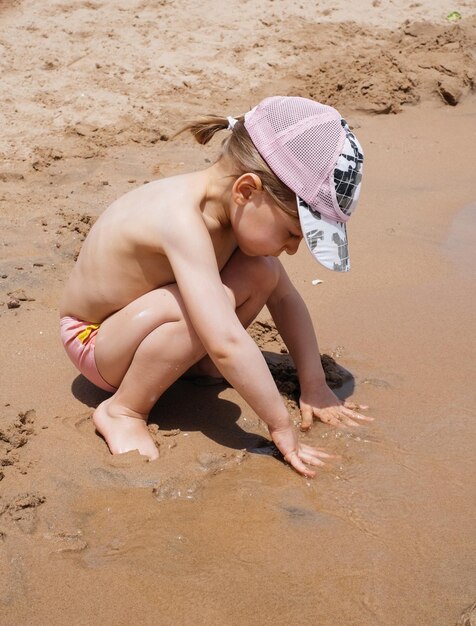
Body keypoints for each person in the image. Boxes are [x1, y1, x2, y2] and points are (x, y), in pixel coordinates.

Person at [59, 96, 373, 477]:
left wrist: (314, 384)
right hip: (96, 340)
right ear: (246, 191)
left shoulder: (232, 211)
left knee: (263, 271)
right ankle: (124, 409)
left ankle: (190, 366)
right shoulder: (180, 219)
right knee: (212, 307)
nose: (293, 249)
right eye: (293, 233)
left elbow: (286, 298)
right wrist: (280, 426)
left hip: (141, 327)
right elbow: (224, 338)